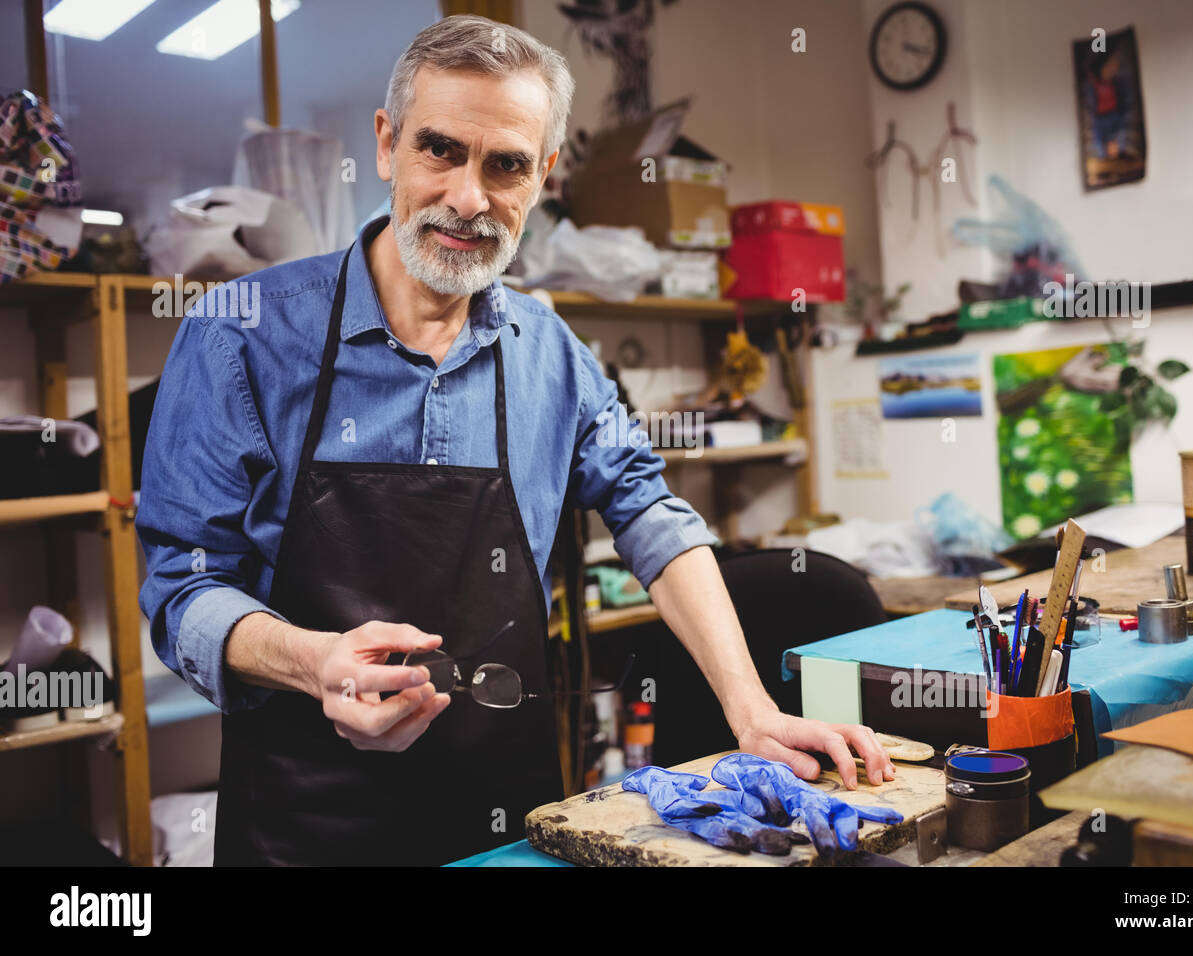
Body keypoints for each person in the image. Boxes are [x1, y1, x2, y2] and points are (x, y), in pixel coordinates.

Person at [137, 14, 894, 866]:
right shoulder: (238, 335)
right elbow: (181, 585)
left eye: (505, 165)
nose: (469, 198)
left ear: (543, 175)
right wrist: (314, 664)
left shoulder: (553, 354)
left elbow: (651, 514)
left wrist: (751, 709)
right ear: (386, 146)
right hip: (302, 821)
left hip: (508, 815)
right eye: (440, 150)